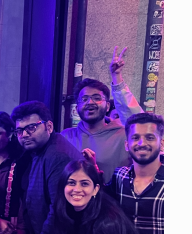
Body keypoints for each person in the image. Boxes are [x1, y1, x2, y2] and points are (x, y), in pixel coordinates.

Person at [11, 100, 77, 234]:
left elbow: (59, 210)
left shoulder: (57, 155)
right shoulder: (39, 151)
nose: (24, 135)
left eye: (31, 128)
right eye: (19, 131)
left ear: (48, 126)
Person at [60, 47, 144, 184]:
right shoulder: (65, 137)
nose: (90, 102)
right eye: (84, 99)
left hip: (116, 198)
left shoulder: (124, 135)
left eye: (96, 98)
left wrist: (117, 78)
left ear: (108, 106)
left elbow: (139, 122)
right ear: (77, 107)